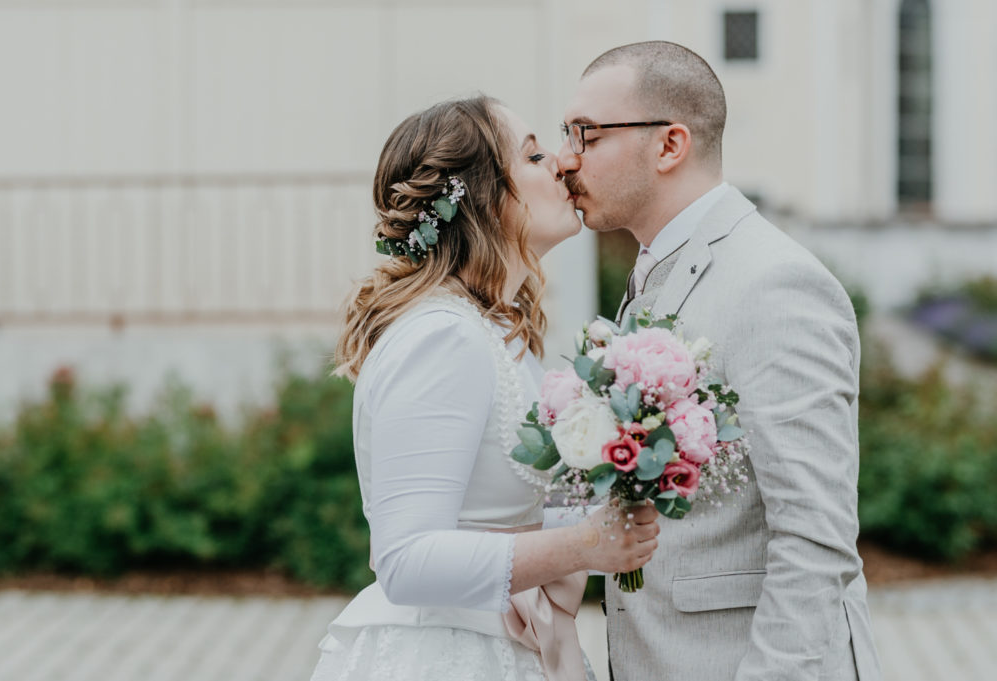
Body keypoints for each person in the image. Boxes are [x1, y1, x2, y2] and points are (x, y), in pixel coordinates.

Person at [556, 42, 883, 681]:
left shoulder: (774, 284)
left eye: (587, 134)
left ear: (670, 145)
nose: (567, 157)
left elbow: (816, 535)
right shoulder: (654, 273)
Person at [311, 95, 660, 681]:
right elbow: (406, 560)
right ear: (482, 196)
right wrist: (586, 546)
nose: (561, 163)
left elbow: (492, 518)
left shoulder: (491, 333)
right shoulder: (442, 337)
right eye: (531, 155)